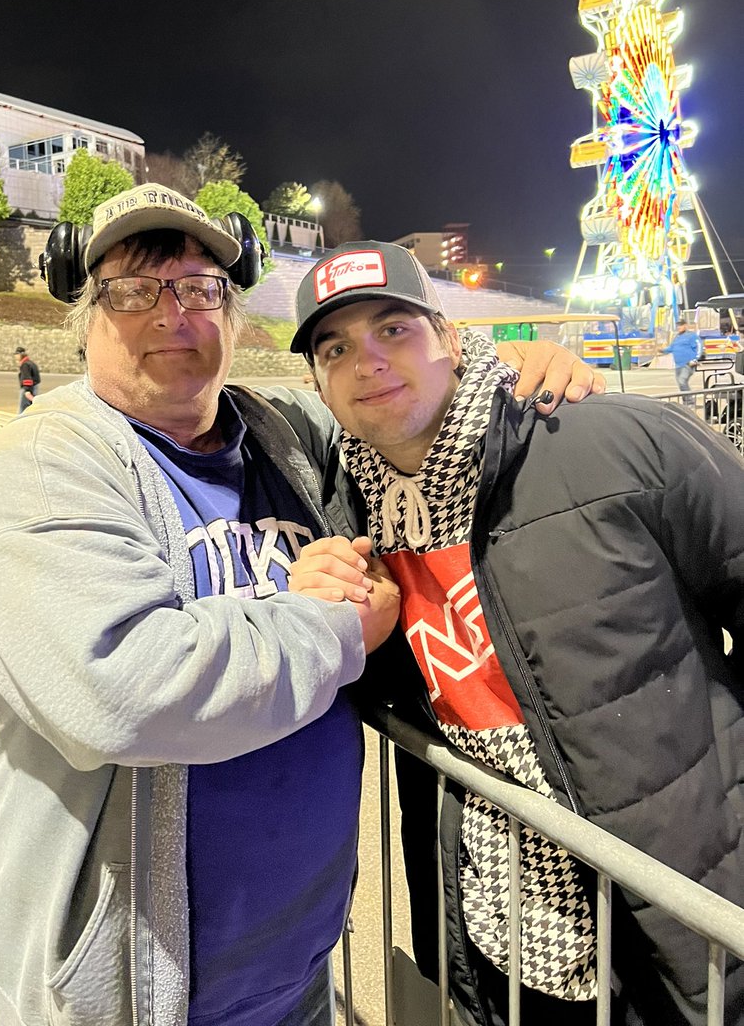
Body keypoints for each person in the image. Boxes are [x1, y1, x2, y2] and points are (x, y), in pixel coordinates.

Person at [0, 184, 602, 1026]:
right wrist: (338, 625)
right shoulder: (42, 466)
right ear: (86, 319)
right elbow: (124, 691)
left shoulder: (281, 436)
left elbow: (395, 402)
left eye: (200, 288)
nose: (172, 314)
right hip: (133, 999)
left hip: (297, 977)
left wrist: (509, 372)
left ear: (233, 313)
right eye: (133, 291)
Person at [285, 240, 744, 1026]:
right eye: (336, 349)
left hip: (677, 916)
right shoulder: (350, 510)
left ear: (452, 339)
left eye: (394, 329)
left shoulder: (610, 442)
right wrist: (335, 623)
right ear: (317, 384)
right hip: (497, 924)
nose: (368, 362)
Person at [661, 321, 700, 403]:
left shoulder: (691, 336)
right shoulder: (677, 337)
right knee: (680, 383)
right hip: (678, 365)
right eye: (678, 326)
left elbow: (699, 346)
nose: (679, 327)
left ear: (685, 326)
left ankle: (689, 401)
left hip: (688, 364)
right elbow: (672, 347)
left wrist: (695, 359)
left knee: (682, 380)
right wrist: (662, 350)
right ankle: (686, 401)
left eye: (680, 326)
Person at [14, 344, 41, 412]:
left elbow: (27, 378)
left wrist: (27, 390)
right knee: (30, 407)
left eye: (16, 354)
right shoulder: (30, 363)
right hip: (34, 387)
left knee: (23, 408)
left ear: (20, 355)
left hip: (28, 388)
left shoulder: (25, 365)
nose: (15, 356)